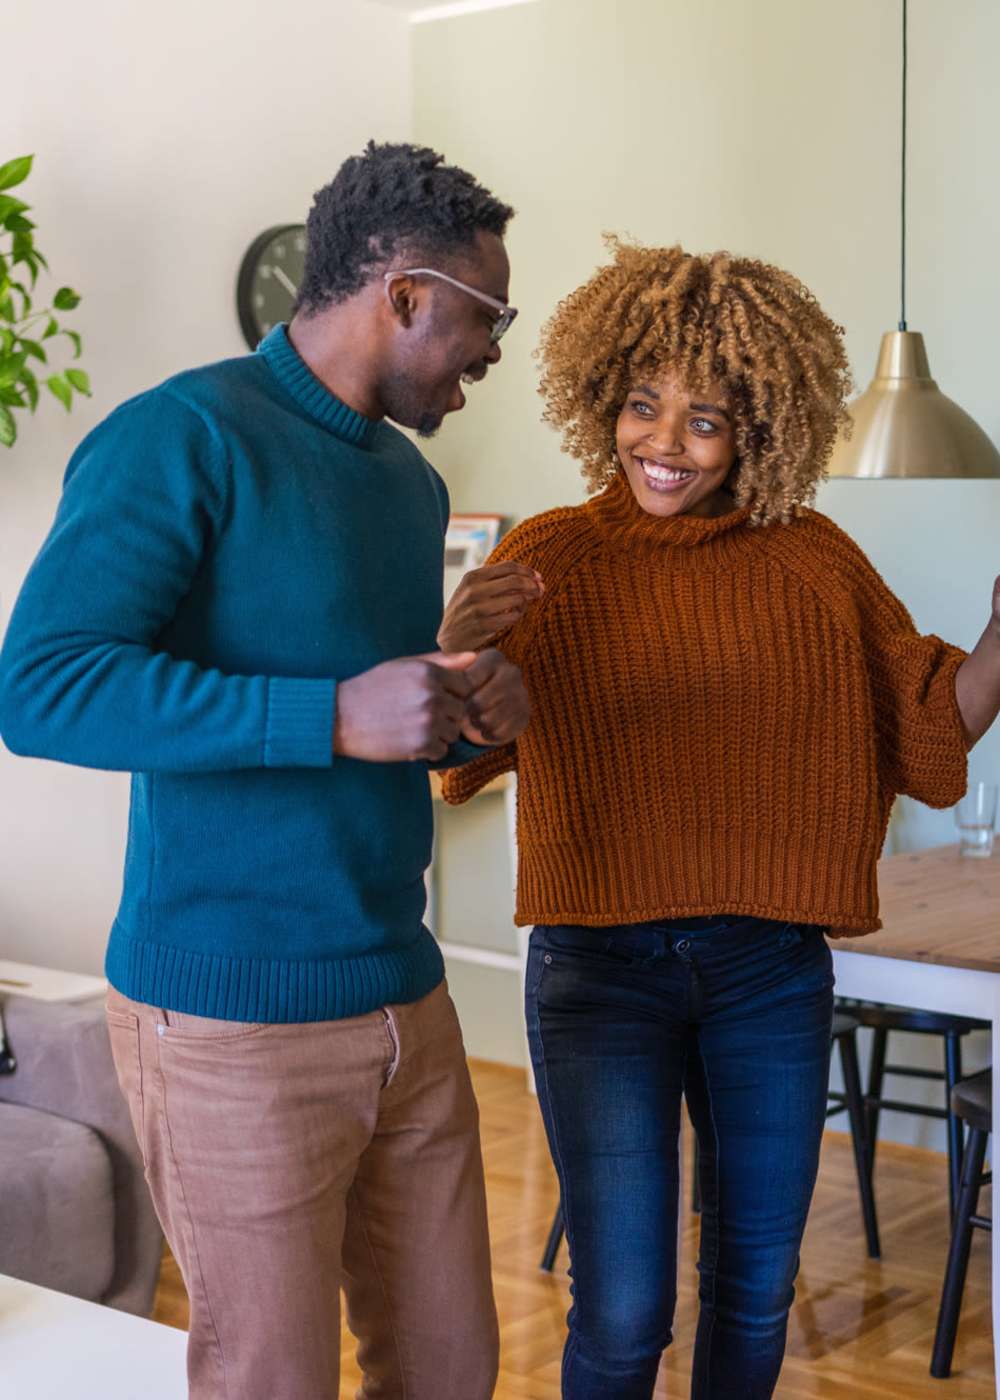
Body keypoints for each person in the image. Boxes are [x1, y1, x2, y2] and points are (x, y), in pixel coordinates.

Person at [0, 141, 532, 1400]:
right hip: (228, 1018)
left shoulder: (410, 483)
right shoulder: (181, 435)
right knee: (271, 1380)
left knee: (451, 1370)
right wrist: (333, 715)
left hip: (403, 994)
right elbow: (42, 684)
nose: (492, 352)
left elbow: (380, 705)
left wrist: (467, 715)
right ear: (406, 293)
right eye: (487, 318)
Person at [439, 239, 1000, 1399]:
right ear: (603, 401)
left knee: (753, 1287)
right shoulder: (548, 559)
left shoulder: (813, 562)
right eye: (642, 406)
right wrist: (453, 649)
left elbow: (927, 731)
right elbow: (456, 753)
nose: (664, 441)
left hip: (767, 970)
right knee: (623, 1307)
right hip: (597, 972)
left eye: (705, 420)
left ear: (759, 429)